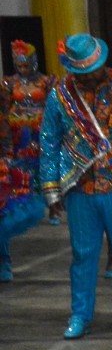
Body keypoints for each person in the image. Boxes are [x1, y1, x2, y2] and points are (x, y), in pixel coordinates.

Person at [39, 34, 112, 338]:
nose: (91, 75)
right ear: (74, 70)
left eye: (96, 67)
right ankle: (80, 315)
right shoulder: (60, 98)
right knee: (82, 254)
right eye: (84, 71)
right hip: (80, 190)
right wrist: (51, 191)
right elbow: (49, 143)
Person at [0, 40, 56, 281]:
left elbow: (54, 109)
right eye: (18, 65)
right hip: (16, 136)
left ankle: (52, 205)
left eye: (26, 65)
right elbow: (3, 115)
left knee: (44, 170)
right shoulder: (8, 84)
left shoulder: (46, 82)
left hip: (39, 133)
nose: (22, 69)